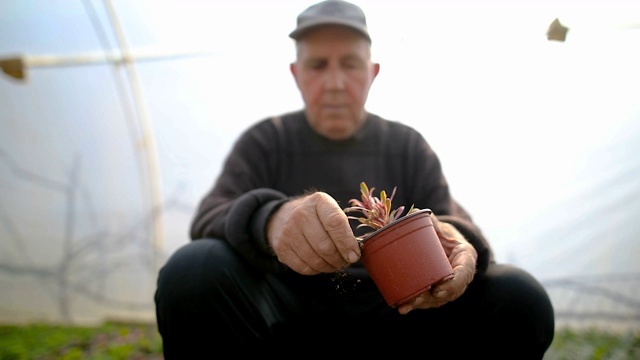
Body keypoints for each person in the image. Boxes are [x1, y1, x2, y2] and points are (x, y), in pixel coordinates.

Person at [154, 0, 555, 357]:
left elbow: (451, 221)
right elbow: (210, 215)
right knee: (194, 267)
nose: (334, 82)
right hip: (286, 311)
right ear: (296, 74)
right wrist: (273, 220)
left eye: (349, 64)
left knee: (517, 296)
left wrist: (461, 243)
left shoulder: (406, 145)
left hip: (400, 312)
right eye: (317, 65)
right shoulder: (267, 140)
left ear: (372, 72)